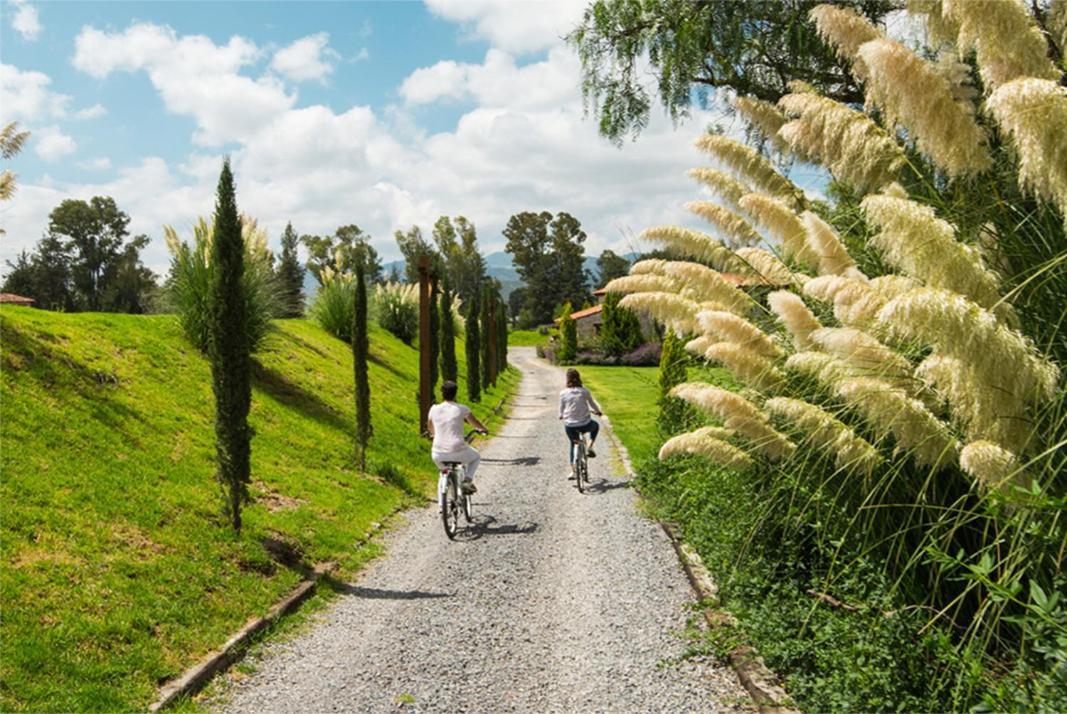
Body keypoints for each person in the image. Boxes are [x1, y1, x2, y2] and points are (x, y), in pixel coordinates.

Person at [428, 380, 488, 494]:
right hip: (458, 450)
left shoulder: (434, 409)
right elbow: (474, 422)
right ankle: (467, 480)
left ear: (442, 393)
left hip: (437, 454)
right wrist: (483, 429)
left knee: (443, 472)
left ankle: (442, 505)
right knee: (476, 457)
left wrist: (434, 435)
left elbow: (430, 427)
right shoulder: (462, 409)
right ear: (455, 393)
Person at [559, 368, 602, 478]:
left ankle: (573, 472)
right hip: (585, 423)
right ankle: (590, 446)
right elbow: (592, 404)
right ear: (579, 378)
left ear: (567, 379)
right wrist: (598, 412)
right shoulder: (584, 391)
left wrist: (561, 415)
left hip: (570, 425)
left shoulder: (563, 393)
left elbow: (562, 407)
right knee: (595, 426)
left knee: (574, 444)